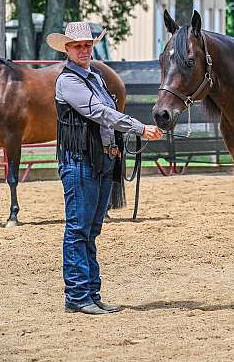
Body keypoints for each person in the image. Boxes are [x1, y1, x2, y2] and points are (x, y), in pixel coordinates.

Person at [47, 22, 162, 315]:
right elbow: (99, 113)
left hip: (99, 161)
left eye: (87, 45)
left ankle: (90, 292)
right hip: (80, 161)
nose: (84, 50)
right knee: (78, 229)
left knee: (90, 229)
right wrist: (138, 127)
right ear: (68, 49)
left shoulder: (94, 77)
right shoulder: (68, 81)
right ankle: (77, 295)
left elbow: (106, 114)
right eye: (78, 46)